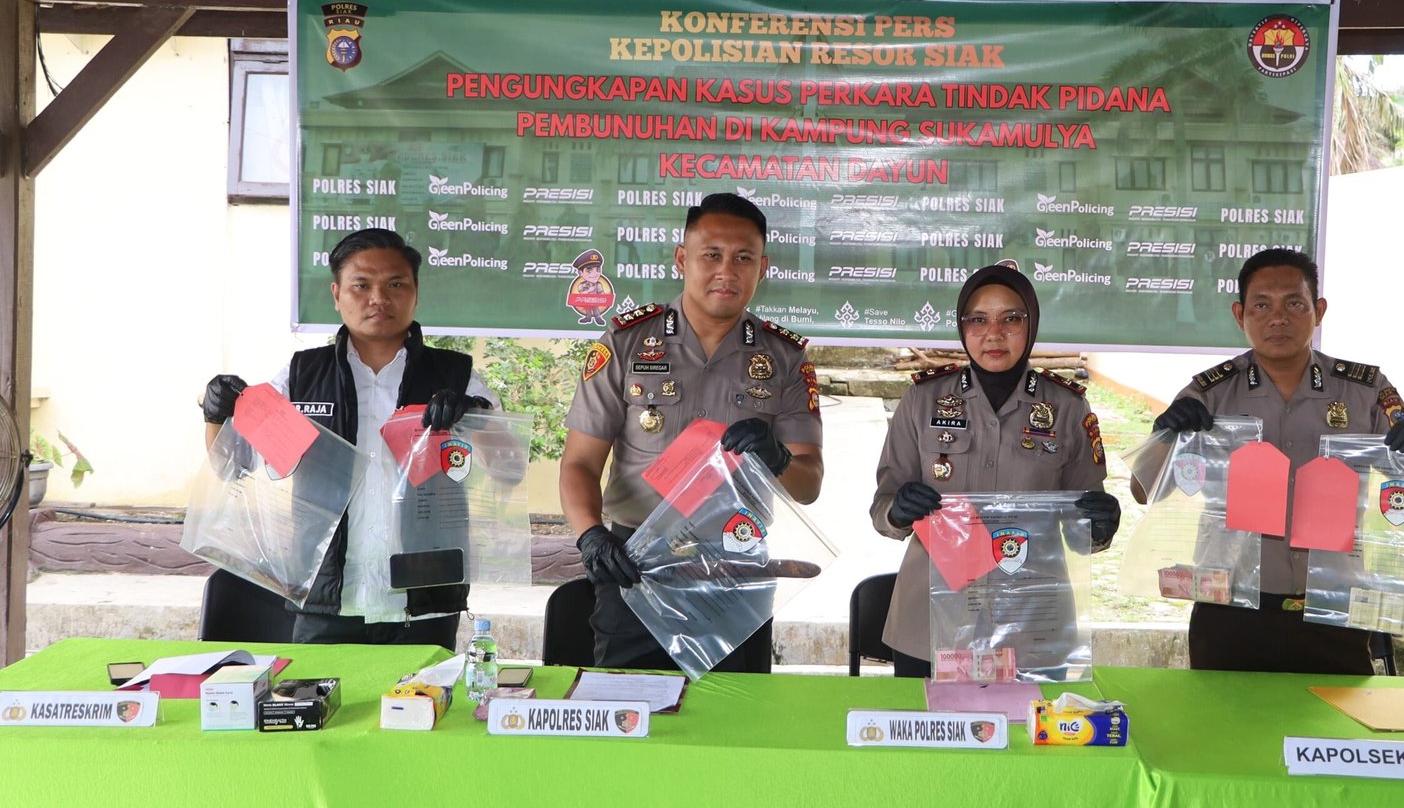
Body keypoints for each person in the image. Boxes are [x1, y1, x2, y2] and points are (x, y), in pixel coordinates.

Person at [1137, 248, 1404, 675]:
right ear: (1240, 315)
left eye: (1294, 304)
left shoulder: (1365, 391)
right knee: (1224, 718)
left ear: (1319, 311)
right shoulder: (1209, 394)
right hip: (1231, 610)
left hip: (1331, 609)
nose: (1278, 318)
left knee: (1334, 719)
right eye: (1262, 305)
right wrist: (1164, 435)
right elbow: (1143, 490)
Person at [560, 192, 824, 669]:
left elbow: (808, 486)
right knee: (630, 708)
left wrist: (778, 458)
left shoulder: (784, 357)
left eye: (743, 258)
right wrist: (591, 536)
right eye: (712, 255)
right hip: (635, 565)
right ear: (682, 259)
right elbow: (579, 462)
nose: (727, 271)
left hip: (735, 566)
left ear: (762, 268)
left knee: (734, 710)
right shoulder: (626, 342)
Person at [201, 227, 500, 647]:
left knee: (422, 695)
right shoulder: (301, 377)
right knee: (321, 694)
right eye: (361, 285)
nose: (379, 298)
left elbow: (505, 468)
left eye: (395, 284)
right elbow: (233, 465)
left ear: (415, 293)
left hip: (424, 600)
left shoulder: (456, 375)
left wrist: (475, 419)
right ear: (337, 294)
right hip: (325, 598)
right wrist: (216, 416)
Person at [870, 264, 1121, 678]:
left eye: (1011, 319)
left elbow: (1083, 526)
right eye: (978, 320)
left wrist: (1101, 524)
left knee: (1029, 722)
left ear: (1031, 324)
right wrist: (897, 510)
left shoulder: (1067, 408)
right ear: (962, 326)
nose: (994, 334)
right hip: (932, 618)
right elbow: (882, 507)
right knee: (927, 722)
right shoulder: (922, 400)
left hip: (1033, 621)